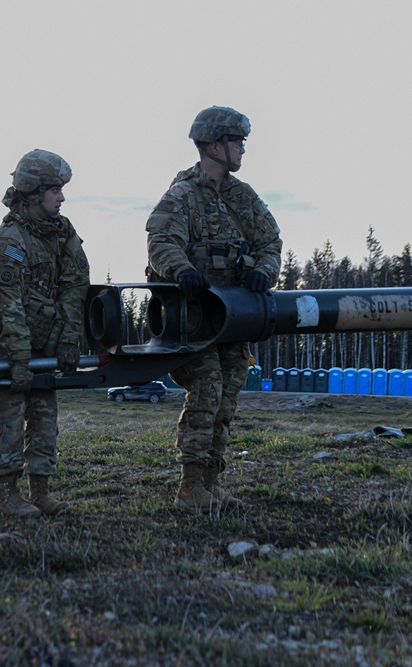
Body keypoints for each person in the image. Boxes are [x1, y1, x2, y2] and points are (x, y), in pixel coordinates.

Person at [145, 106, 282, 513]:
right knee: (206, 392)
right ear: (214, 145)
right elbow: (160, 241)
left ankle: (210, 484)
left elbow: (270, 242)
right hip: (196, 319)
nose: (242, 149)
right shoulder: (183, 195)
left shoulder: (243, 197)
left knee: (227, 400)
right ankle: (189, 489)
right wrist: (182, 270)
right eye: (237, 141)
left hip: (236, 320)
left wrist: (263, 271)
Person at [0, 150, 89, 518]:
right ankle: (8, 495)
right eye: (55, 190)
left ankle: (42, 491)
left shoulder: (62, 231)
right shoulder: (8, 241)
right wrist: (19, 360)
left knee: (43, 412)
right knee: (6, 411)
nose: (62, 198)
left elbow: (74, 284)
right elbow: (8, 308)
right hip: (1, 338)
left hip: (41, 333)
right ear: (33, 191)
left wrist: (69, 338)